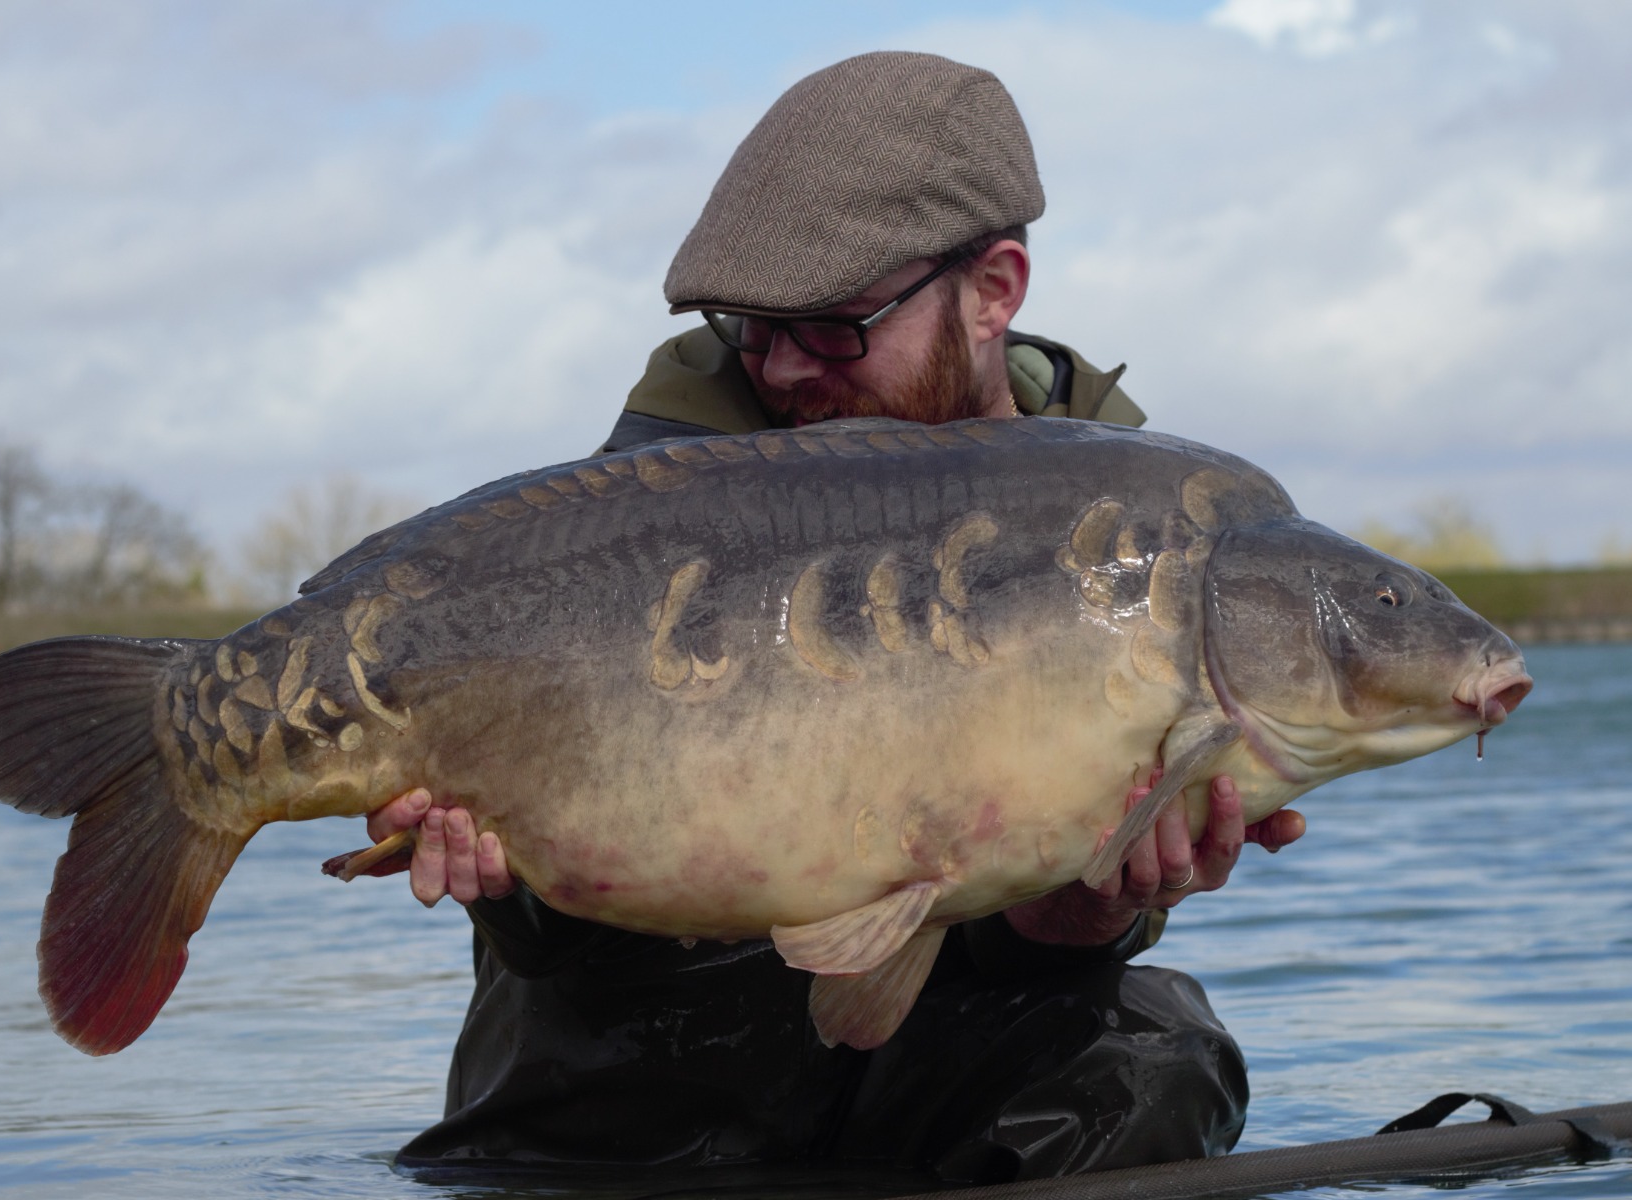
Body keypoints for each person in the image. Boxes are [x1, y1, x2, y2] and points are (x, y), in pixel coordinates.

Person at [366, 51, 1305, 1184]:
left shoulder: (1133, 528)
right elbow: (560, 930)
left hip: (918, 1050)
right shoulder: (645, 506)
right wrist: (514, 892)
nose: (779, 369)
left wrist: (1081, 923)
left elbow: (1030, 926)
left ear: (993, 290)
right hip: (626, 1073)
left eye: (830, 326)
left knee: (1157, 1059)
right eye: (750, 327)